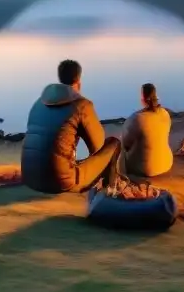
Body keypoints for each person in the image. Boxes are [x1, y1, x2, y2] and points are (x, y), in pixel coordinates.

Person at [21, 59, 123, 194]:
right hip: (60, 182)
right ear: (78, 80)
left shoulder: (38, 103)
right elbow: (98, 147)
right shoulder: (82, 105)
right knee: (113, 144)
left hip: (30, 178)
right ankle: (110, 192)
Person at [120, 83, 173, 178]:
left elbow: (125, 145)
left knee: (120, 153)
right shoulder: (165, 114)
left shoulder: (137, 118)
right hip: (166, 163)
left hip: (145, 169)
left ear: (143, 98)